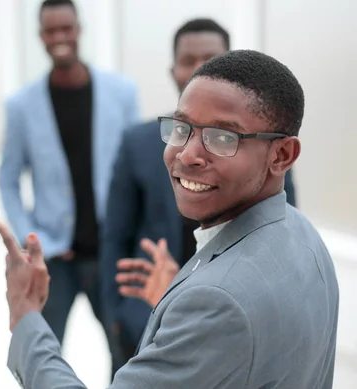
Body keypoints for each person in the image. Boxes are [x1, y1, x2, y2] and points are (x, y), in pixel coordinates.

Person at [0, 49, 339, 388]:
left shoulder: (216, 301)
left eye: (223, 138)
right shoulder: (303, 234)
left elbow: (225, 306)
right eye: (182, 128)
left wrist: (26, 315)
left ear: (282, 155)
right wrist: (176, 295)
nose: (188, 155)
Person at [100, 18, 298, 375]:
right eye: (188, 60)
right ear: (172, 69)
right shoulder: (137, 143)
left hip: (232, 318)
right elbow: (116, 234)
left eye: (210, 59)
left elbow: (280, 225)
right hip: (143, 315)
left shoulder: (266, 149)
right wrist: (114, 317)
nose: (199, 69)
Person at [0, 0, 140, 352]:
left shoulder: (121, 93)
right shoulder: (21, 105)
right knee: (41, 351)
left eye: (66, 28)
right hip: (54, 256)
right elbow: (8, 178)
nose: (59, 37)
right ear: (40, 36)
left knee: (126, 348)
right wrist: (30, 237)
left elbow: (135, 168)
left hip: (110, 251)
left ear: (79, 30)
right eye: (51, 30)